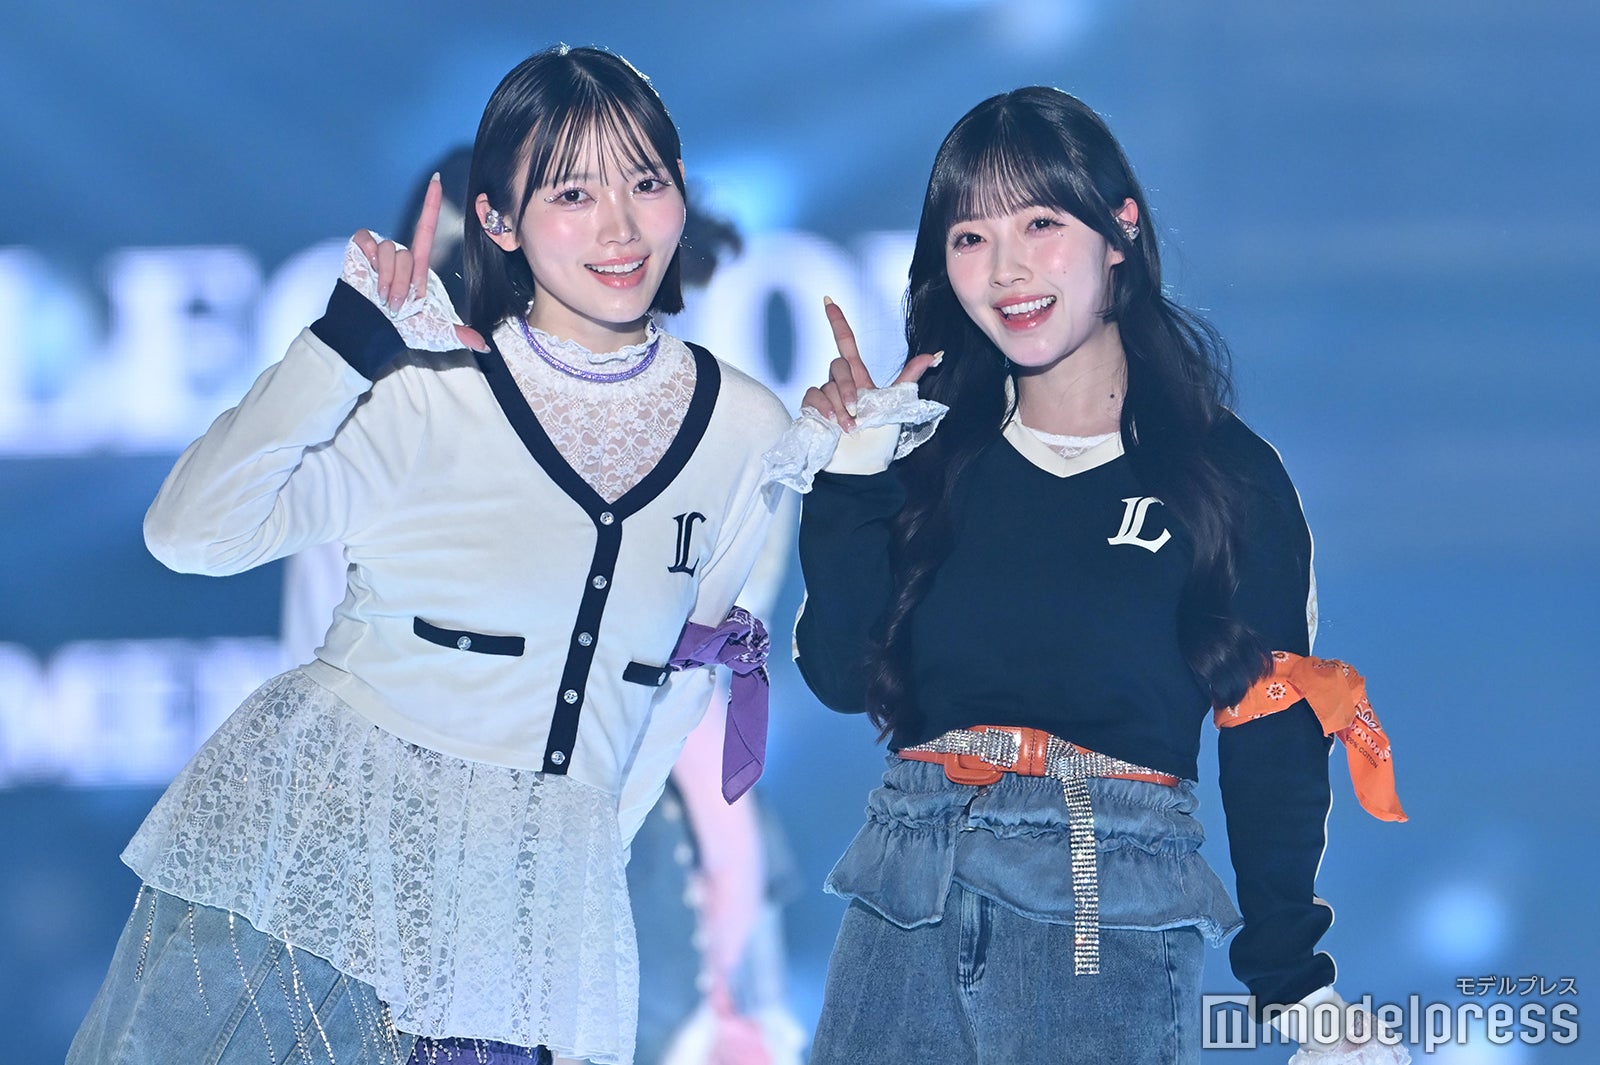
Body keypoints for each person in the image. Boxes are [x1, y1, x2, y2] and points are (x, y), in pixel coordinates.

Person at [68, 44, 790, 1065]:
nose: (619, 228)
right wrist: (343, 344)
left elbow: (672, 690)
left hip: (528, 930)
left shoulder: (745, 431)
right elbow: (191, 532)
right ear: (497, 221)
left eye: (644, 182)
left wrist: (572, 878)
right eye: (572, 193)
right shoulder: (426, 393)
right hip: (325, 887)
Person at [768, 87, 1408, 1064]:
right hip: (902, 901)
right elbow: (839, 676)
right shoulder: (925, 458)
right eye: (970, 237)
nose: (1006, 270)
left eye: (1039, 224)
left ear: (1119, 231)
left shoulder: (1226, 477)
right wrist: (852, 474)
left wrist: (1293, 983)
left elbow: (1271, 738)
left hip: (1099, 908)